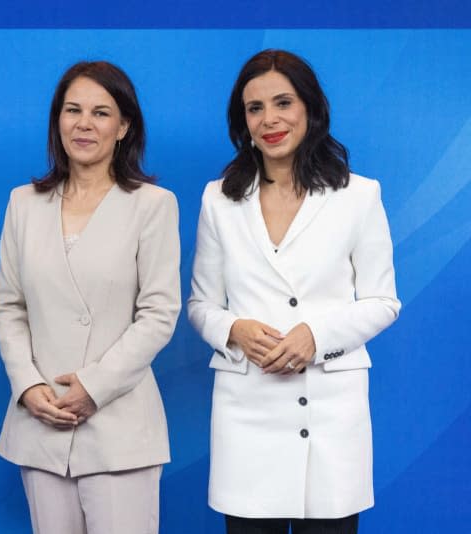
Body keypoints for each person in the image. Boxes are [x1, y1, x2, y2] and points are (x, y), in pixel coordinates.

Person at [188, 49, 400, 534]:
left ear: (310, 108)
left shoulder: (358, 195)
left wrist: (315, 335)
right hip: (248, 415)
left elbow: (384, 301)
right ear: (242, 121)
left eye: (283, 103)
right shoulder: (218, 199)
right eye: (254, 108)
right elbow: (200, 306)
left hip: (330, 415)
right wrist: (235, 328)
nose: (270, 120)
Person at [0, 61, 181, 534]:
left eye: (101, 112)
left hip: (119, 425)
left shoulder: (153, 205)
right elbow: (9, 307)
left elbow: (159, 314)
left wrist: (94, 387)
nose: (84, 123)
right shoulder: (23, 203)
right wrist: (28, 386)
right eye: (73, 110)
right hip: (41, 421)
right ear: (57, 121)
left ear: (124, 127)